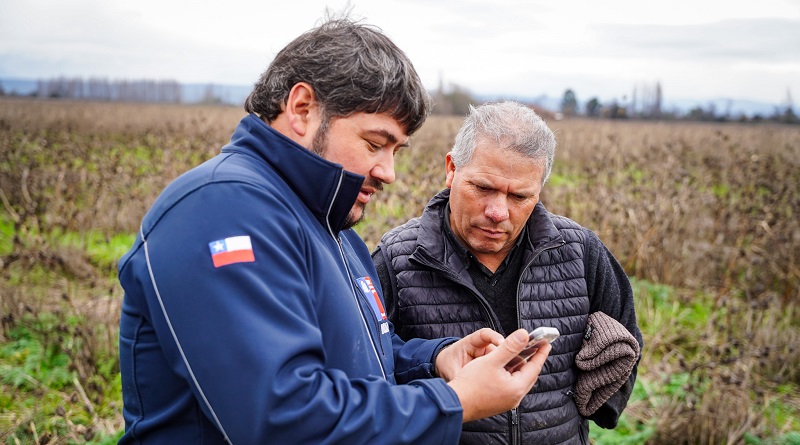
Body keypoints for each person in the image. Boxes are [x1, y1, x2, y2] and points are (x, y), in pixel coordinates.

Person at [116, 17, 551, 445]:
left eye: (396, 150)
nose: (389, 172)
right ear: (302, 109)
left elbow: (356, 359)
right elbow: (280, 419)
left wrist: (436, 360)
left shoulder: (333, 229)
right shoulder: (221, 211)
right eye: (374, 143)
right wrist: (454, 401)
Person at [372, 101, 644, 444]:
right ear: (451, 168)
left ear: (539, 190)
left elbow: (628, 341)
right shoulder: (397, 259)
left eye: (519, 196)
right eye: (483, 188)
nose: (498, 212)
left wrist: (603, 398)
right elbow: (368, 369)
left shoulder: (581, 251)